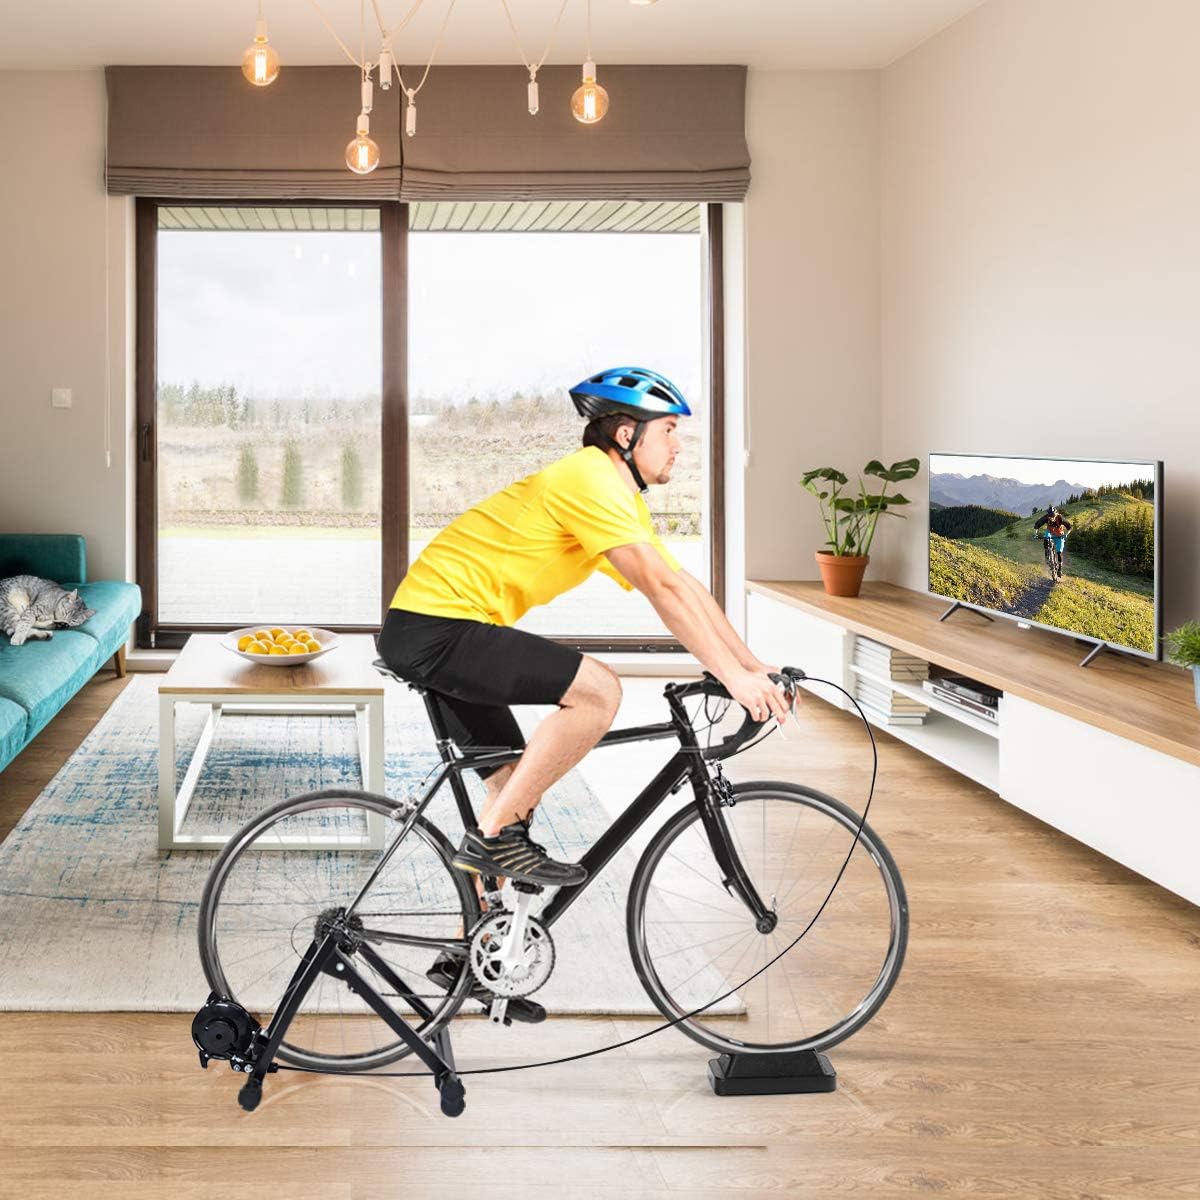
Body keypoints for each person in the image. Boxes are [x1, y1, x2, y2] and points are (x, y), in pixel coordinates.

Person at [378, 366, 792, 887]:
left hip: (440, 629)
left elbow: (681, 585)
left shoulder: (615, 496)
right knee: (598, 691)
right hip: (437, 628)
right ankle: (494, 842)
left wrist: (752, 666)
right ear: (627, 435)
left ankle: (464, 951)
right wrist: (733, 680)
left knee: (512, 792)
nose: (678, 445)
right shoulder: (589, 479)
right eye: (668, 429)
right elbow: (660, 591)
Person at [1033, 506, 1072, 577]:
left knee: (1059, 552)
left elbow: (1069, 527)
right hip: (1050, 532)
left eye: (1053, 516)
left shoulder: (1060, 518)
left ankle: (1060, 569)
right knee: (1046, 537)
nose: (1051, 518)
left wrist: (1066, 534)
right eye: (1050, 516)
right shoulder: (1046, 517)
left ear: (1056, 514)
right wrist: (1036, 533)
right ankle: (1046, 554)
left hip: (1059, 535)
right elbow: (1037, 525)